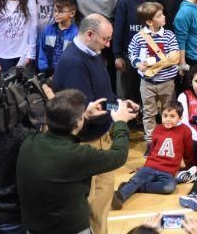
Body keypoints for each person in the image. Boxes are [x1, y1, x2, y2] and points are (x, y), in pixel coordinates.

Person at [51, 14, 137, 234]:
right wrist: (116, 114)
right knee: (93, 207)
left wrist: (119, 103)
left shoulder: (92, 53)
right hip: (87, 144)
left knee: (102, 204)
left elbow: (103, 96)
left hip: (101, 138)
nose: (108, 44)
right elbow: (88, 109)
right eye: (105, 39)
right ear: (90, 34)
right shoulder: (73, 63)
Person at [17, 90, 136, 234]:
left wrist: (83, 116)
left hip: (33, 228)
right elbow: (119, 155)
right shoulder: (78, 155)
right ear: (77, 123)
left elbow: (64, 129)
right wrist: (121, 122)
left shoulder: (29, 142)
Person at [111, 101, 193, 209]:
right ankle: (120, 196)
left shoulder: (185, 131)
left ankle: (134, 187)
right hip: (151, 166)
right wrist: (145, 165)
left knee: (169, 187)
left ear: (180, 118)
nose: (168, 119)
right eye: (165, 116)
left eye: (172, 116)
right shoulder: (158, 128)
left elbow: (188, 150)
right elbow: (153, 149)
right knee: (137, 179)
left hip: (168, 171)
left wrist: (188, 164)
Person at [128, 0, 180, 148]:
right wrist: (138, 64)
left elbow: (174, 56)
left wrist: (157, 66)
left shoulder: (169, 35)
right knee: (149, 113)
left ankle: (168, 141)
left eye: (162, 14)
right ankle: (151, 143)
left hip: (167, 82)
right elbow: (132, 53)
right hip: (147, 83)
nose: (164, 17)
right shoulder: (139, 37)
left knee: (168, 111)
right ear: (150, 21)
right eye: (159, 15)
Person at [37, 0, 79, 76]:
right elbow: (42, 51)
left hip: (67, 74)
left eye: (61, 12)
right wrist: (44, 70)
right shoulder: (48, 30)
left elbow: (76, 58)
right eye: (55, 11)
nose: (56, 14)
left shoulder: (76, 34)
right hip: (48, 73)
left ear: (72, 13)